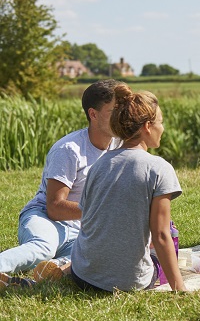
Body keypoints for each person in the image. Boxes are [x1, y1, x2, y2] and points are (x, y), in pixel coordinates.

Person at [0, 80, 122, 282]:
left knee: (103, 252)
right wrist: (100, 211)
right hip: (45, 218)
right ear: (93, 114)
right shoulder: (69, 149)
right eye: (113, 112)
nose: (120, 118)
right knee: (43, 247)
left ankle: (52, 270)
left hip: (81, 227)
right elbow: (54, 207)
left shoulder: (120, 146)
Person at [69, 86, 186, 292]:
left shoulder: (98, 165)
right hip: (129, 282)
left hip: (82, 275)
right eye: (161, 123)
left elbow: (88, 217)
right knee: (168, 238)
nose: (163, 129)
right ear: (148, 126)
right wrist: (180, 288)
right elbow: (160, 235)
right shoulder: (159, 168)